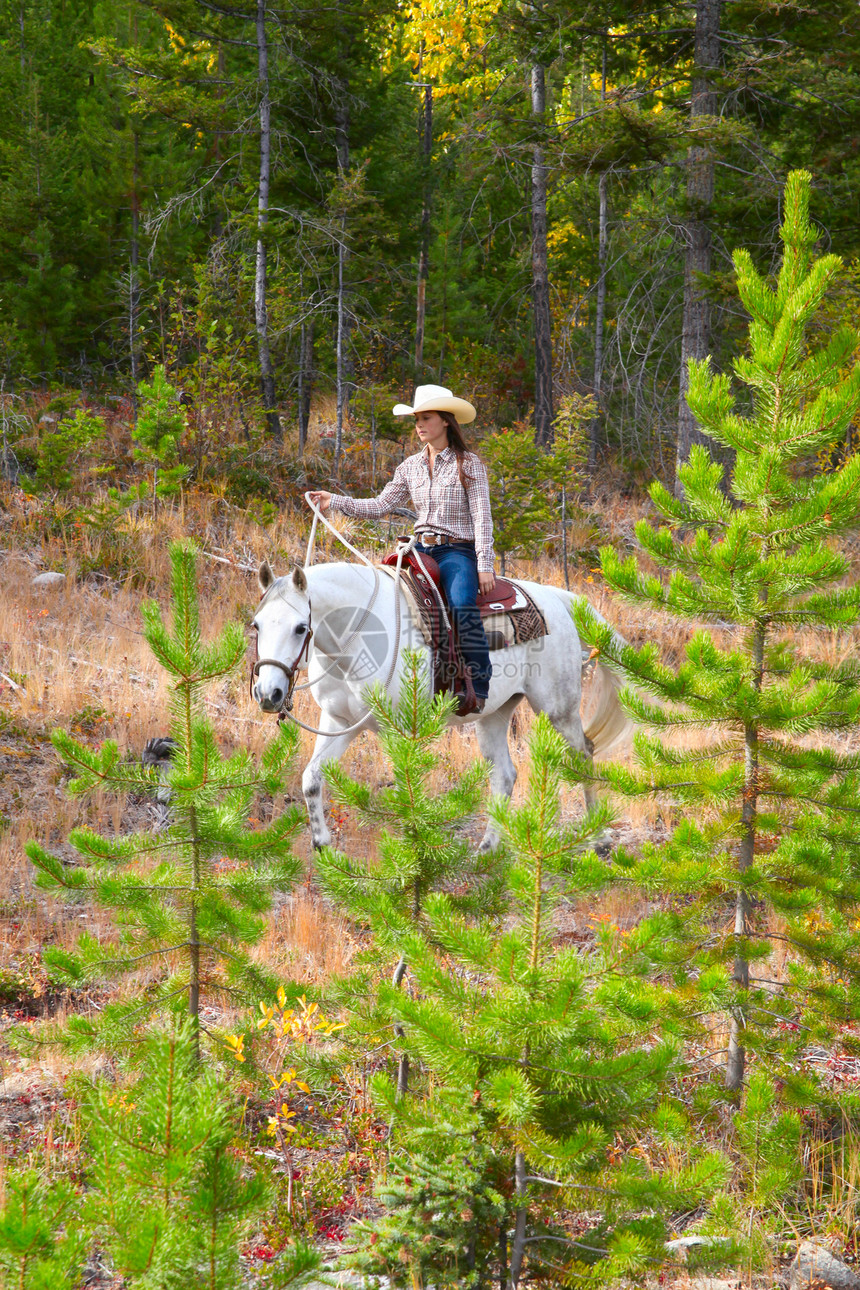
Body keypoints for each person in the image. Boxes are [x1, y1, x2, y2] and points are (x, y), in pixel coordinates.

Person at [308, 384, 495, 716]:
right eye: (416, 419)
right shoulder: (410, 467)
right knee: (383, 597)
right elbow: (381, 505)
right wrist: (333, 501)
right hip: (419, 549)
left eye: (426, 418)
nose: (419, 425)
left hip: (456, 551)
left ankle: (478, 684)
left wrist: (484, 564)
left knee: (462, 602)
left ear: (446, 421)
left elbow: (482, 517)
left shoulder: (469, 464)